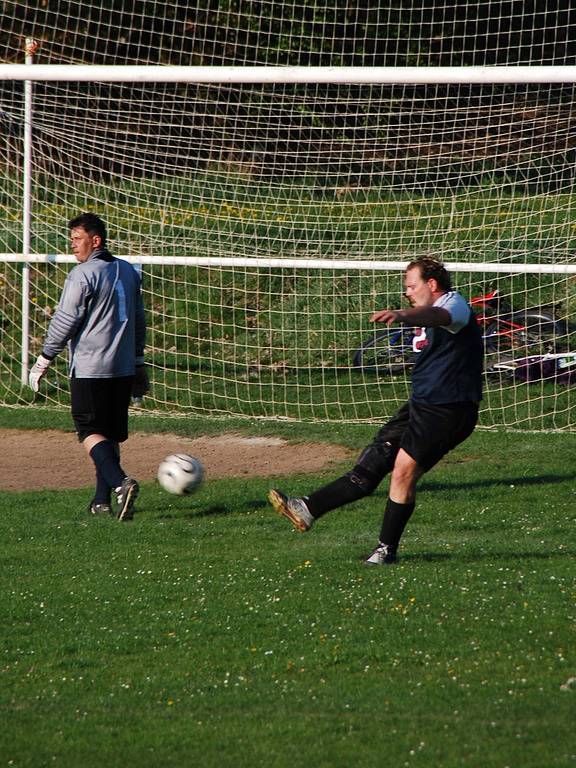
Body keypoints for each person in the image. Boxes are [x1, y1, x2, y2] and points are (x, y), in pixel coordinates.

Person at [268, 256, 483, 564]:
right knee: (373, 463)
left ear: (432, 284)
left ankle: (385, 551)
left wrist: (402, 314)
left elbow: (439, 315)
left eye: (411, 285)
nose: (407, 292)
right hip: (420, 406)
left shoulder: (455, 305)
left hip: (449, 411)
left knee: (402, 473)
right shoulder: (427, 309)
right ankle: (307, 508)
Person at [28, 213, 148, 521]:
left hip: (90, 367)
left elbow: (66, 319)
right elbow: (138, 320)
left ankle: (121, 484)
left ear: (96, 241)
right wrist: (138, 363)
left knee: (89, 431)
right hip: (121, 368)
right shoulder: (128, 271)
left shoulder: (82, 275)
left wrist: (45, 357)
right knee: (110, 434)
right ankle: (101, 500)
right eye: (71, 240)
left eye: (77, 239)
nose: (73, 246)